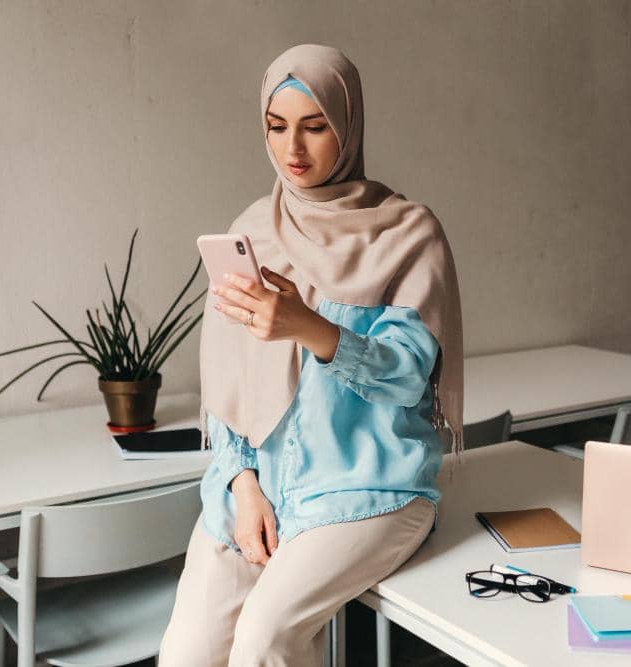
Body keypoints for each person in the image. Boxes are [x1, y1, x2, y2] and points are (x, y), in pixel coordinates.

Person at [158, 43, 464, 667]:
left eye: (315, 126)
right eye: (276, 127)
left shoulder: (407, 232)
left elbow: (409, 378)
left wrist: (311, 327)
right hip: (257, 488)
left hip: (366, 487)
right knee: (186, 656)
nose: (292, 150)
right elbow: (226, 392)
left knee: (264, 641)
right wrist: (242, 485)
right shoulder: (250, 231)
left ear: (347, 126)